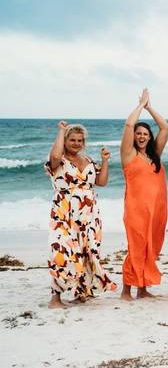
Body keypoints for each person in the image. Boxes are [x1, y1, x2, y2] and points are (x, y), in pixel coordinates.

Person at [44, 121, 116, 308]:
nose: (76, 143)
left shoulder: (88, 160)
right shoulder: (58, 160)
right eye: (72, 140)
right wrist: (61, 131)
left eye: (80, 140)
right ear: (65, 141)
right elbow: (55, 155)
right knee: (61, 252)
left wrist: (106, 161)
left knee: (88, 251)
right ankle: (55, 298)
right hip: (64, 212)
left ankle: (82, 291)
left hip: (89, 213)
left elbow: (101, 182)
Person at [120, 88, 168, 301]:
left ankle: (142, 289)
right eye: (138, 134)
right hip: (136, 210)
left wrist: (150, 108)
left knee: (152, 247)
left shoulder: (154, 155)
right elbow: (129, 125)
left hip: (157, 209)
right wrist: (140, 105)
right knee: (137, 247)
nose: (141, 136)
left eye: (145, 134)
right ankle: (126, 291)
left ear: (149, 137)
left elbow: (165, 127)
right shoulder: (128, 154)